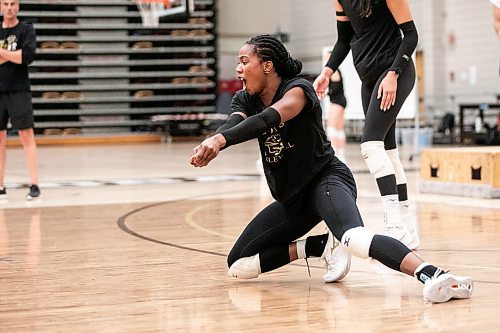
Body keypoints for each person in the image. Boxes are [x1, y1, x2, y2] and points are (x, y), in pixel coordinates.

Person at [190, 34, 473, 303]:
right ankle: (318, 247)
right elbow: (234, 123)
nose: (238, 69)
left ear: (267, 66)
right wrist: (218, 137)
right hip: (293, 199)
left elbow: (268, 119)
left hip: (326, 180)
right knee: (238, 265)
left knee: (354, 237)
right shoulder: (245, 98)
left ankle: (434, 275)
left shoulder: (299, 89)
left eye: (243, 61)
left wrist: (221, 140)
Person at [313, 0, 419, 249]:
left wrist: (394, 74)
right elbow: (344, 40)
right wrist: (327, 72)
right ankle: (406, 226)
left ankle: (394, 224)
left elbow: (411, 35)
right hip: (368, 78)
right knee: (388, 151)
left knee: (371, 145)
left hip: (394, 72)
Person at [0, 0, 41, 200]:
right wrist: (13, 55)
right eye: (5, 3)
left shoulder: (26, 29)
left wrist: (1, 53)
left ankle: (34, 184)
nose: (9, 7)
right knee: (0, 139)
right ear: (0, 6)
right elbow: (18, 56)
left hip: (19, 90)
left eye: (13, 3)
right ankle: (0, 186)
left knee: (26, 135)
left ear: (18, 6)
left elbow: (27, 57)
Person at [326, 69, 347, 162]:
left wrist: (326, 92)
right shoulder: (335, 71)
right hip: (340, 101)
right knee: (339, 130)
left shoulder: (333, 71)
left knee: (331, 128)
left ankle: (334, 155)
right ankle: (341, 156)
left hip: (337, 101)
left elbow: (335, 88)